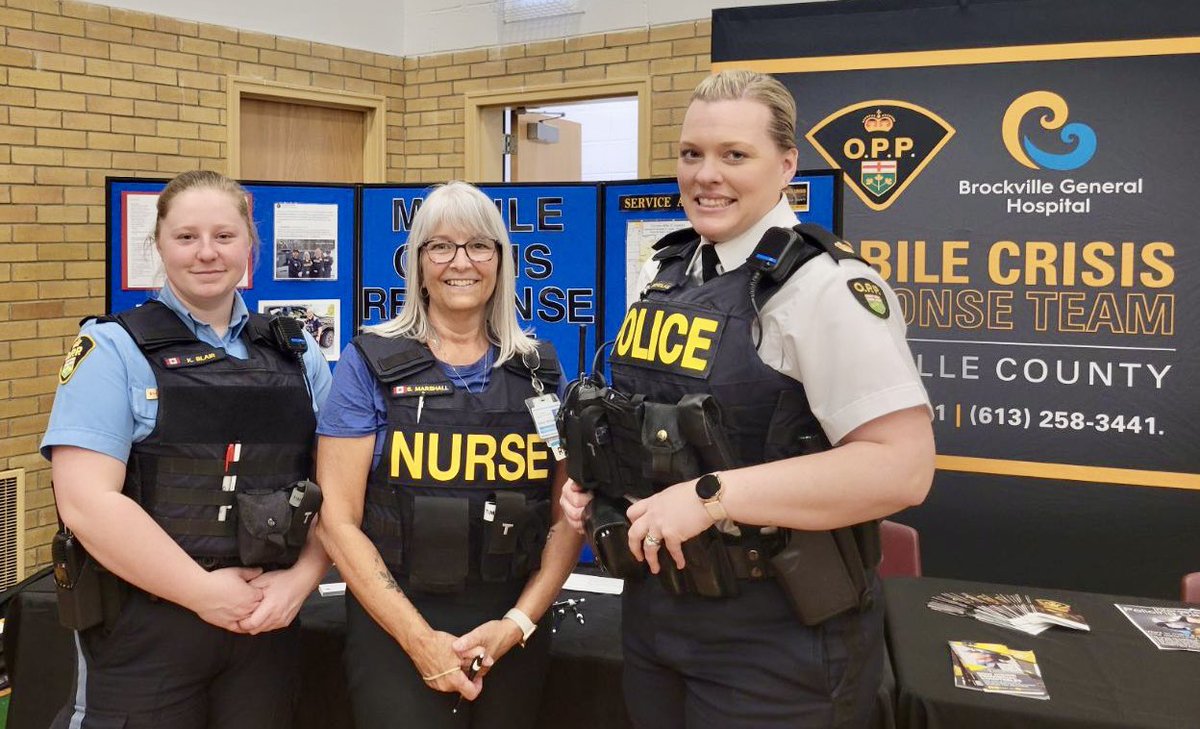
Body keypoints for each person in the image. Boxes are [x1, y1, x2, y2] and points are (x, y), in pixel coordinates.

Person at [560, 70, 935, 728]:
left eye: (735, 155)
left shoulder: (825, 286)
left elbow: (901, 467)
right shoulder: (666, 268)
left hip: (777, 636)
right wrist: (602, 487)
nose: (707, 175)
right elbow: (660, 421)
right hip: (658, 615)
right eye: (691, 154)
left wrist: (712, 496)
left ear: (787, 164)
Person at [41, 169, 334, 729]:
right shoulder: (111, 349)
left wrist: (302, 580)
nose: (206, 253)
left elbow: (337, 490)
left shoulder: (299, 355)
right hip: (143, 626)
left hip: (265, 625)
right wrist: (201, 592)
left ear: (252, 245)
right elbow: (85, 503)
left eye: (224, 236)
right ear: (159, 244)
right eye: (186, 237)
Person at [316, 180, 582, 729]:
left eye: (479, 246)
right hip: (396, 623)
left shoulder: (541, 371)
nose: (461, 262)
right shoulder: (367, 364)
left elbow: (568, 517)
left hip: (512, 621)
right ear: (417, 263)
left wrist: (516, 625)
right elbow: (337, 520)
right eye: (441, 246)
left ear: (502, 261)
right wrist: (420, 643)